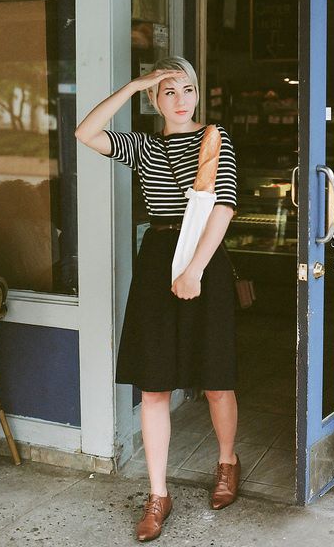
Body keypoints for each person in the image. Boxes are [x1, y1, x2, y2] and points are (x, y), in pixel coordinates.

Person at [75, 56, 239, 542]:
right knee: (154, 385)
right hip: (158, 259)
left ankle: (227, 462)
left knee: (215, 378)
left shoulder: (215, 138)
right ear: (154, 100)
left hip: (204, 258)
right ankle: (157, 493)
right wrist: (133, 85)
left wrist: (194, 270)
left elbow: (224, 207)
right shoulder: (144, 146)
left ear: (197, 93)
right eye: (168, 92)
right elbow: (85, 133)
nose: (180, 100)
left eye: (186, 89)